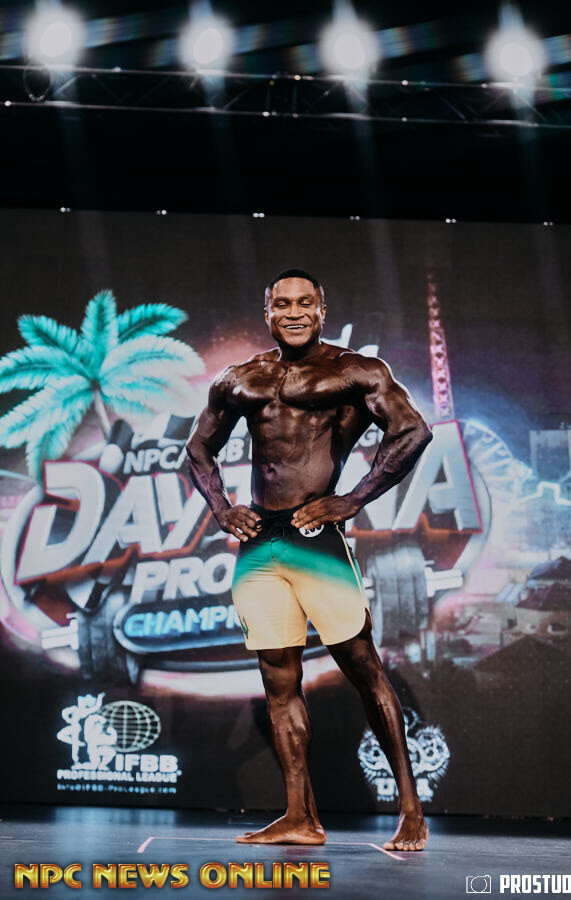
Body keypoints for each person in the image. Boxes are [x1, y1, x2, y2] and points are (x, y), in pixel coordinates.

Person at [186, 269, 433, 851]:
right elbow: (198, 449)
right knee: (278, 681)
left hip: (315, 536)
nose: (293, 312)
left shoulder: (355, 371)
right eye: (282, 304)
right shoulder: (242, 378)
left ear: (322, 310)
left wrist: (354, 498)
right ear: (267, 312)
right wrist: (221, 508)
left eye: (304, 303)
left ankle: (411, 810)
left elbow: (412, 432)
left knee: (363, 667)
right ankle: (300, 817)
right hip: (259, 544)